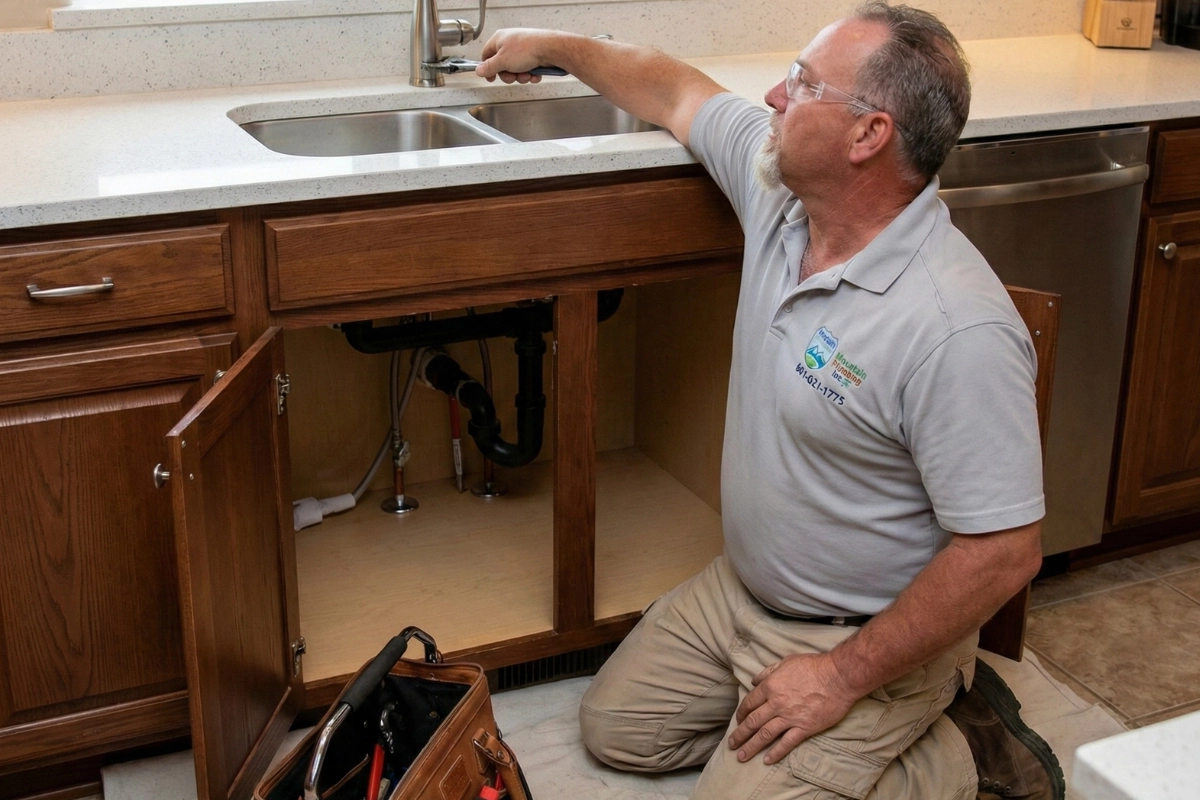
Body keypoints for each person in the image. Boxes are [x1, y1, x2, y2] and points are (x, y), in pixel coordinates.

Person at [476, 4, 1065, 799]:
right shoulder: (782, 198)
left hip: (863, 636)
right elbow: (674, 91)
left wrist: (838, 677)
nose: (775, 98)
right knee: (618, 731)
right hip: (742, 594)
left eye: (802, 83)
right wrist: (549, 43)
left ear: (868, 137)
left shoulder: (955, 325)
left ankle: (962, 754)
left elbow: (1003, 551)